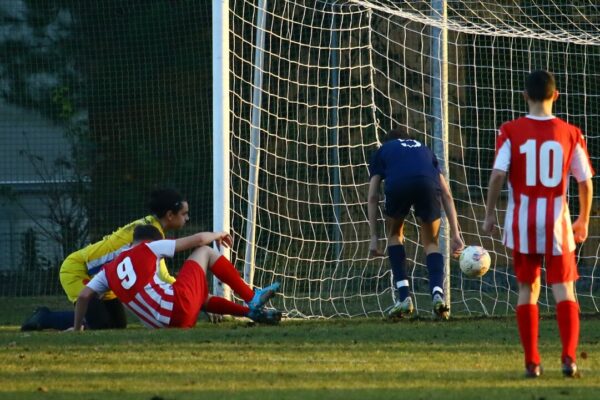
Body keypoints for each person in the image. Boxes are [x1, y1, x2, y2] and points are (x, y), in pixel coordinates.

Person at [482, 70, 594, 378]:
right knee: (565, 290)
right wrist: (582, 219)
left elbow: (497, 175)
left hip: (522, 225)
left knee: (527, 290)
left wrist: (490, 214)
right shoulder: (570, 133)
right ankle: (569, 359)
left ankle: (532, 362)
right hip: (557, 224)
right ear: (555, 96)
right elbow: (585, 181)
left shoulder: (509, 130)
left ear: (525, 96)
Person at [21, 188, 190, 331]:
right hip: (78, 270)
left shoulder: (151, 227)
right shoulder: (152, 233)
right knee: (99, 324)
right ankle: (44, 317)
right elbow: (163, 276)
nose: (187, 218)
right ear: (169, 215)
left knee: (118, 325)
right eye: (184, 214)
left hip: (103, 277)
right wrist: (193, 296)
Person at [73, 225, 281, 330]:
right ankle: (251, 297)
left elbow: (83, 297)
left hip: (166, 326)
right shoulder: (149, 247)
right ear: (150, 240)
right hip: (177, 310)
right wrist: (218, 234)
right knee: (205, 251)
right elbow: (199, 239)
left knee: (200, 297)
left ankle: (250, 313)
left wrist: (76, 330)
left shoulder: (107, 271)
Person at [368, 128, 464, 320]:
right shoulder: (425, 149)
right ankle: (438, 294)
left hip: (398, 185)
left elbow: (372, 196)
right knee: (431, 243)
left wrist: (374, 237)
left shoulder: (384, 150)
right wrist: (455, 233)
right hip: (427, 184)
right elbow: (446, 193)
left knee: (395, 235)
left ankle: (404, 298)